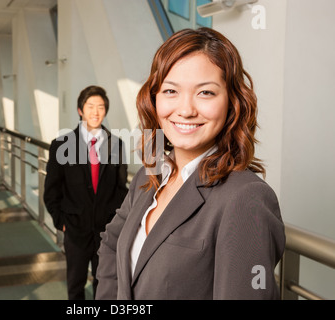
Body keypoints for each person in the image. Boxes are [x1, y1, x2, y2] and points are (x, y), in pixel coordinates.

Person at [95, 28, 286, 300]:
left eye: (205, 93)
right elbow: (112, 245)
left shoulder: (246, 198)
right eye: (171, 90)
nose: (185, 109)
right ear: (154, 98)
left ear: (232, 103)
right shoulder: (149, 176)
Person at [44, 85, 128, 300]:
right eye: (90, 106)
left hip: (106, 230)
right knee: (75, 284)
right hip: (74, 228)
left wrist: (116, 222)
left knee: (106, 285)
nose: (96, 112)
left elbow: (120, 190)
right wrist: (60, 221)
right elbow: (51, 190)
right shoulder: (61, 145)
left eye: (100, 107)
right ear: (80, 110)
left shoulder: (116, 145)